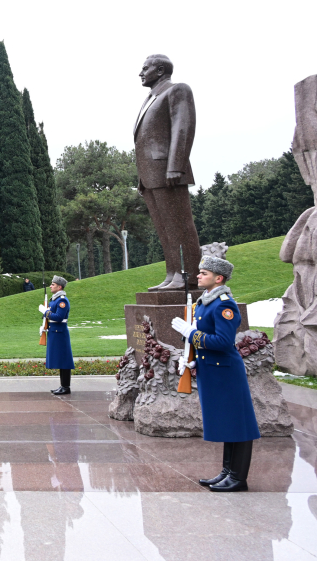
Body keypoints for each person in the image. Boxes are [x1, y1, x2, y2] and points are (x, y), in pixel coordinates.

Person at [171, 256, 260, 492]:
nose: (198, 275)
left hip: (226, 372)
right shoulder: (204, 302)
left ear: (218, 278)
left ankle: (238, 477)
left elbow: (223, 342)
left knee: (238, 424)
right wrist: (189, 356)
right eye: (199, 272)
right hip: (211, 370)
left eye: (204, 273)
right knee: (227, 423)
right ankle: (228, 472)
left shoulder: (224, 304)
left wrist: (192, 334)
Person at [134, 54, 201, 291]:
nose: (140, 73)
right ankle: (173, 273)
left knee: (179, 225)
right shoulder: (150, 98)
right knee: (165, 229)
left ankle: (189, 275)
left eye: (145, 68)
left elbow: (183, 128)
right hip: (150, 174)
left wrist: (176, 165)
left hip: (167, 170)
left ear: (160, 70)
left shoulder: (177, 90)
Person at [38, 275, 74, 395]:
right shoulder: (55, 300)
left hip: (60, 333)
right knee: (60, 360)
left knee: (64, 360)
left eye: (53, 284)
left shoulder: (62, 300)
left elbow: (58, 317)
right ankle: (63, 385)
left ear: (59, 287)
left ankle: (66, 386)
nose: (50, 286)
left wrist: (46, 312)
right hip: (54, 332)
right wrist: (44, 324)